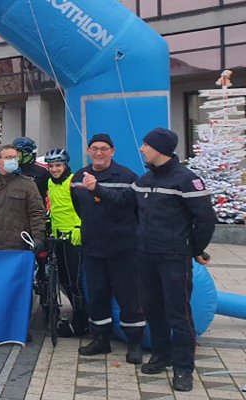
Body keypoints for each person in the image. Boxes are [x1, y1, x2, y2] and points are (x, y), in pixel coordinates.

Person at [133, 128, 216, 392]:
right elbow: (127, 205)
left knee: (178, 314)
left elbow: (205, 220)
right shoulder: (145, 180)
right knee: (152, 308)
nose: (142, 149)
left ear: (159, 149)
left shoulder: (186, 180)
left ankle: (183, 368)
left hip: (173, 259)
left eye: (146, 145)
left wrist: (194, 249)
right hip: (146, 257)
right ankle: (162, 355)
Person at [70, 133, 145, 365]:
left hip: (123, 250)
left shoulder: (127, 176)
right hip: (93, 249)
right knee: (97, 296)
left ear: (112, 151)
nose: (98, 153)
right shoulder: (78, 177)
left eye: (103, 149)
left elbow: (128, 203)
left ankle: (134, 344)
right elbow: (79, 207)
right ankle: (101, 339)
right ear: (88, 151)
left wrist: (97, 190)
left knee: (129, 297)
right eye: (94, 148)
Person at [43, 148, 88, 338]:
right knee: (63, 280)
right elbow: (53, 208)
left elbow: (84, 208)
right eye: (51, 166)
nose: (54, 169)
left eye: (58, 165)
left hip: (73, 237)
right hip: (56, 236)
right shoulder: (49, 183)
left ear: (65, 165)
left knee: (75, 281)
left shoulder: (74, 183)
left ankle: (81, 321)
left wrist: (79, 227)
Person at [0, 145, 46, 250]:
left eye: (15, 157)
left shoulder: (27, 184)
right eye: (8, 158)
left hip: (18, 245)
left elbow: (36, 212)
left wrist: (38, 237)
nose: (13, 160)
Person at [12, 137, 50, 203]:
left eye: (17, 152)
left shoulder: (42, 171)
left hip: (36, 210)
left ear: (26, 153)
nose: (14, 155)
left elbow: (49, 194)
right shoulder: (10, 169)